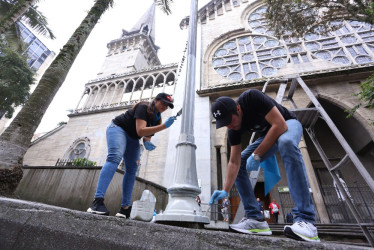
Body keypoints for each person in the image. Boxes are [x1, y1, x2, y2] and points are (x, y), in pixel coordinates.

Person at [208, 89, 320, 242]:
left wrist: (257, 154)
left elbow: (280, 125)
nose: (229, 126)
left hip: (288, 123)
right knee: (240, 161)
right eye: (225, 123)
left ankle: (307, 220)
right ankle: (255, 219)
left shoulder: (251, 98)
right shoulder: (233, 128)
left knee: (286, 142)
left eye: (230, 120)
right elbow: (234, 162)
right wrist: (225, 190)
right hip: (269, 136)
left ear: (238, 109)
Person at [87, 93, 176, 218]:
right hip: (118, 129)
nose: (165, 106)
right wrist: (164, 127)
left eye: (168, 105)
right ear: (155, 100)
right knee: (114, 157)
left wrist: (147, 143)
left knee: (132, 169)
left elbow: (146, 137)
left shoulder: (157, 118)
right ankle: (97, 202)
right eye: (163, 103)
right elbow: (140, 130)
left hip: (133, 138)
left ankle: (125, 208)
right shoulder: (143, 107)